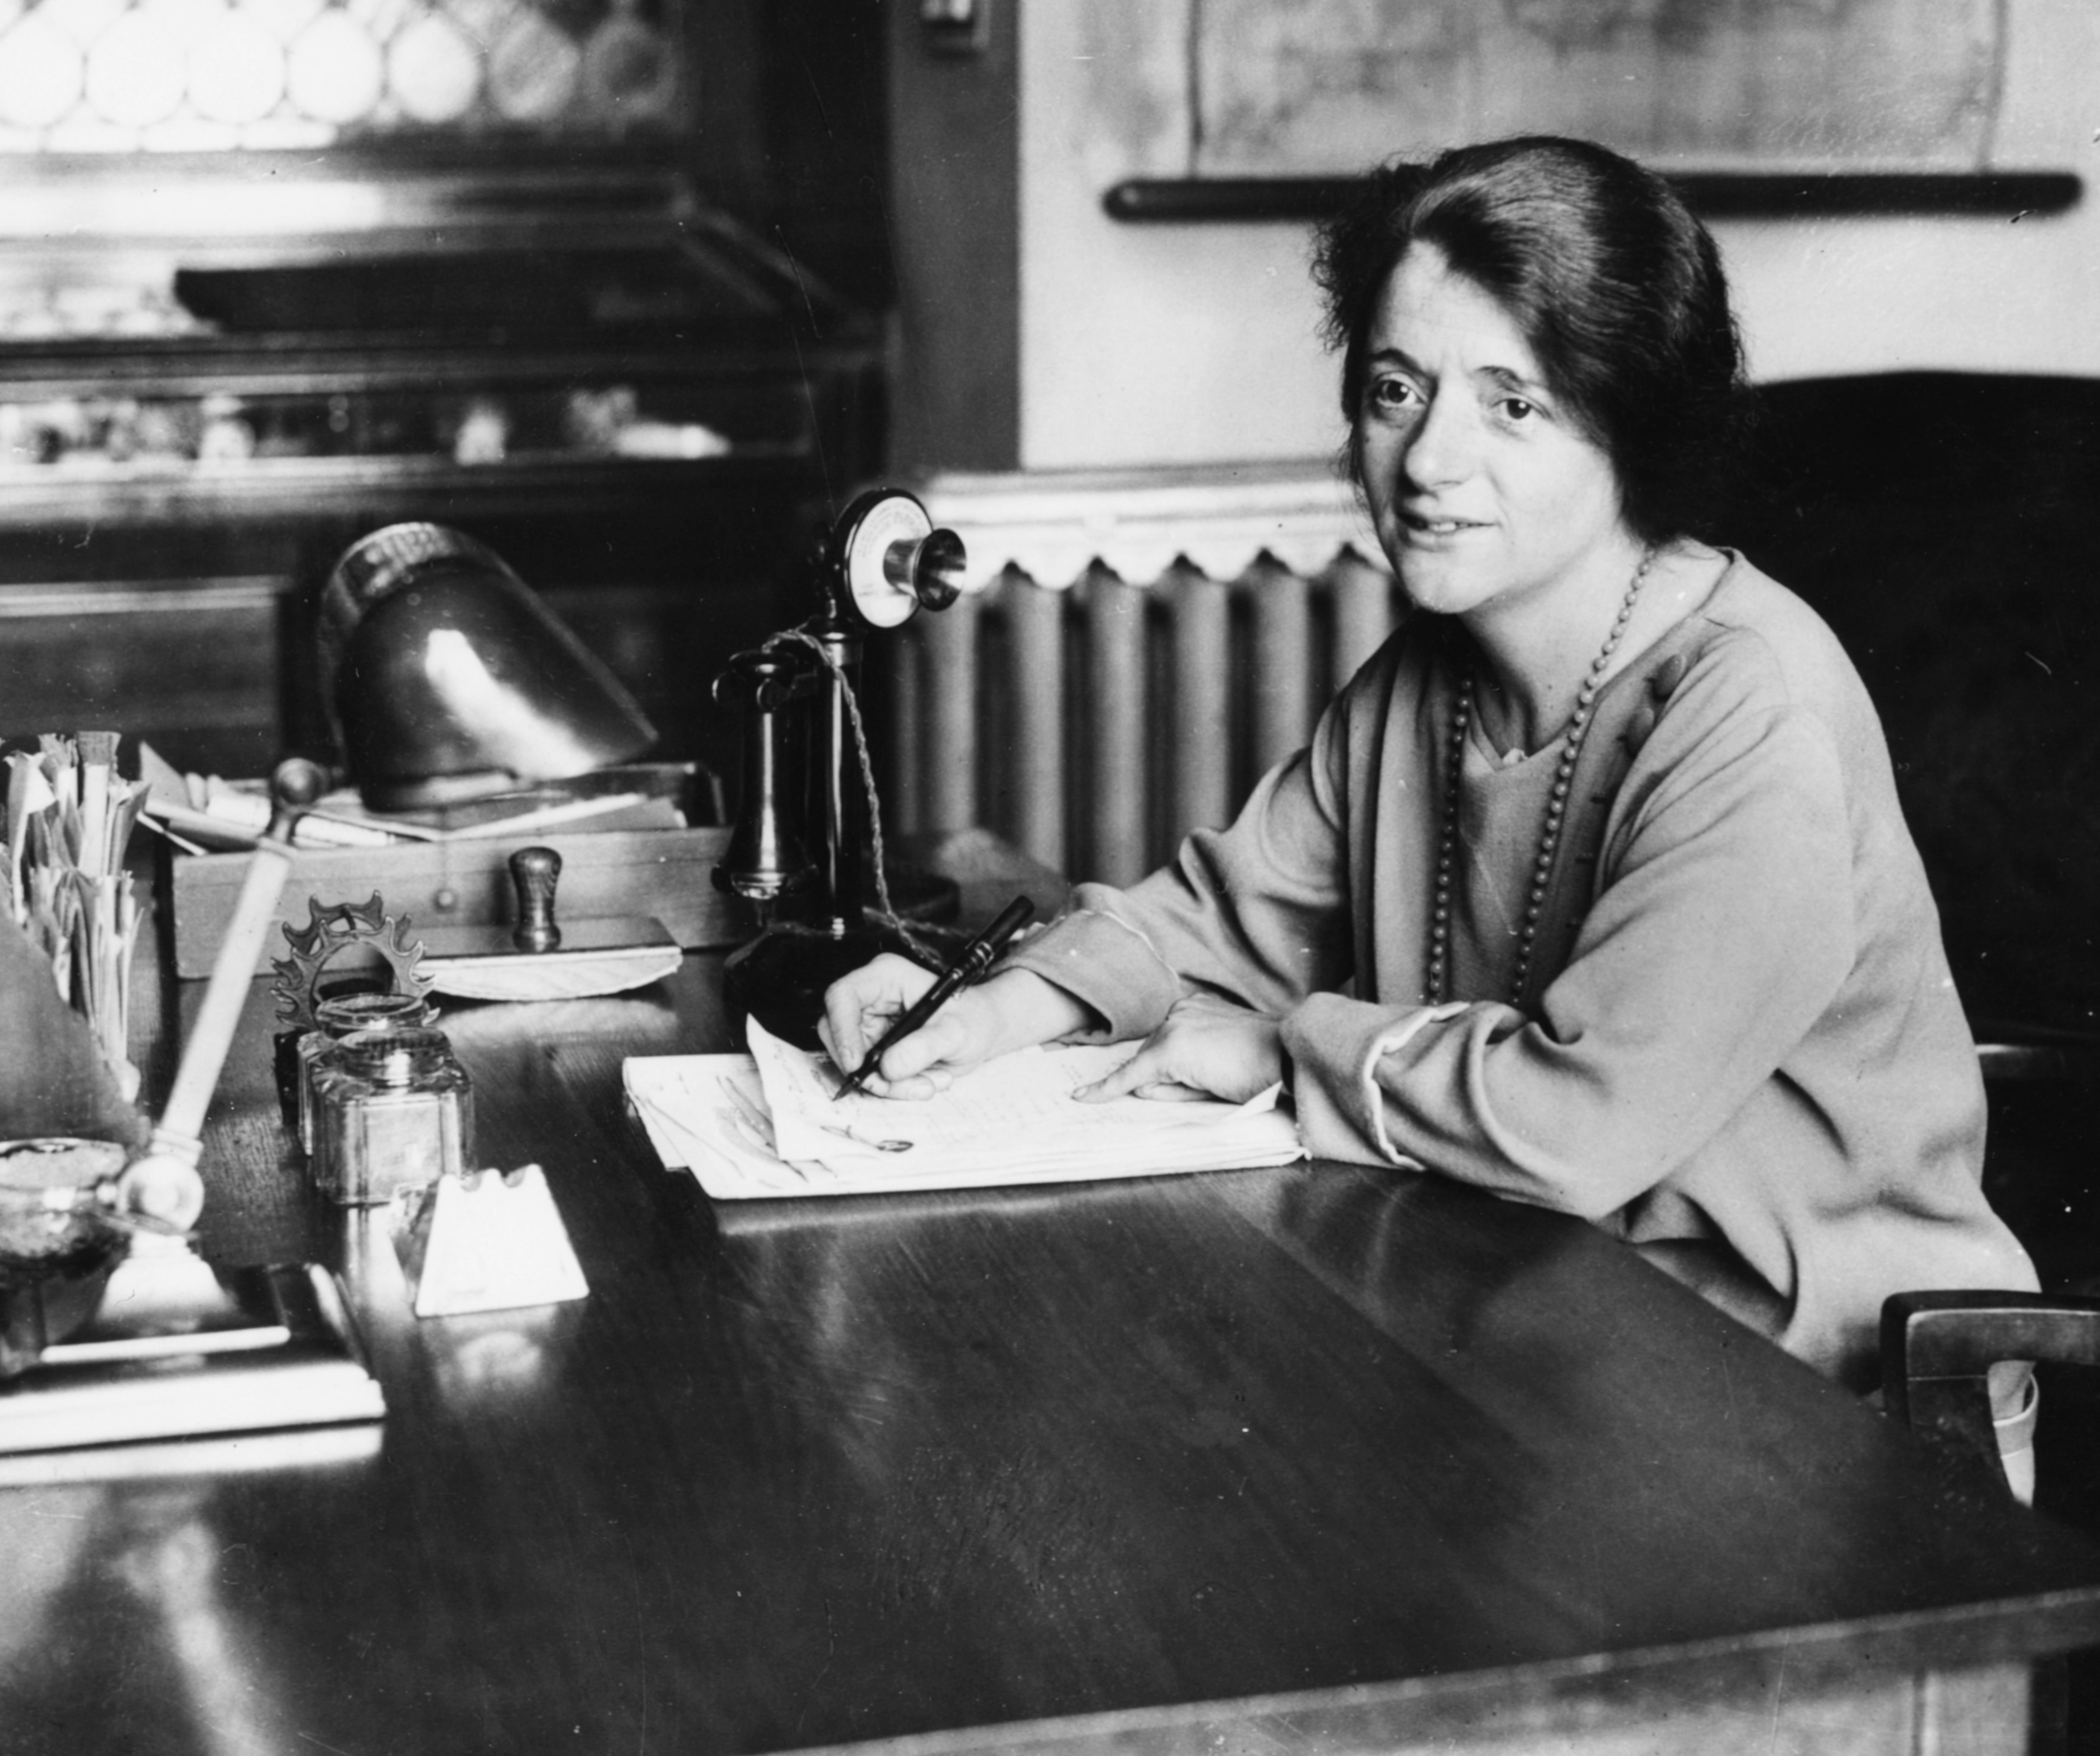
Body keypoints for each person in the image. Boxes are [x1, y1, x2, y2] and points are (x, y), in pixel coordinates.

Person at [819, 135, 2036, 1400]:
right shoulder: (1425, 679)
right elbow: (1220, 920)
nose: (1431, 462)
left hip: (1825, 1398)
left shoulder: (1746, 699)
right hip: (1554, 1322)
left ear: (1629, 424)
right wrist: (995, 1012)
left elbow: (1578, 1126)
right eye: (1398, 391)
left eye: (1515, 405)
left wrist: (1289, 1048)